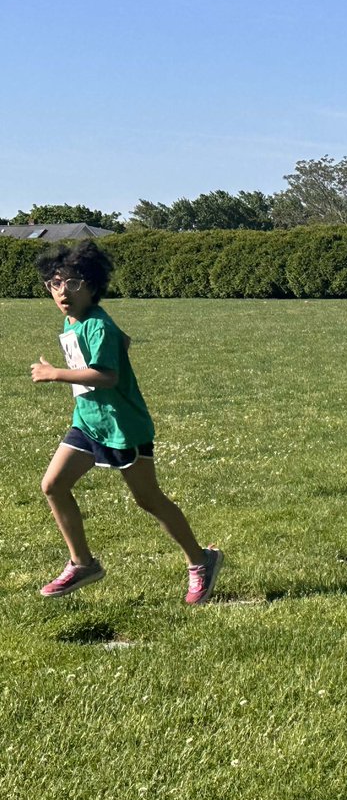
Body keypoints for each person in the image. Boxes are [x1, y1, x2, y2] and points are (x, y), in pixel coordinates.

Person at [29, 241, 223, 603]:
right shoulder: (74, 318)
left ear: (92, 285)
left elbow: (106, 376)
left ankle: (201, 560)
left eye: (72, 283)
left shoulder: (98, 326)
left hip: (122, 426)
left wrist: (54, 374)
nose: (62, 292)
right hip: (88, 422)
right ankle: (82, 563)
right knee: (53, 485)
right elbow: (117, 345)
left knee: (148, 499)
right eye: (55, 284)